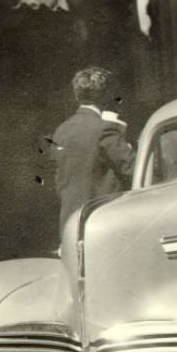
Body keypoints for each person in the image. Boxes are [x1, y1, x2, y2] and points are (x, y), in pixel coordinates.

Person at [51, 67, 135, 233]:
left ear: (77, 95)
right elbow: (132, 167)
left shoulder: (61, 131)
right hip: (102, 221)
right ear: (104, 95)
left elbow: (59, 180)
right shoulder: (105, 129)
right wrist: (121, 134)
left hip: (71, 222)